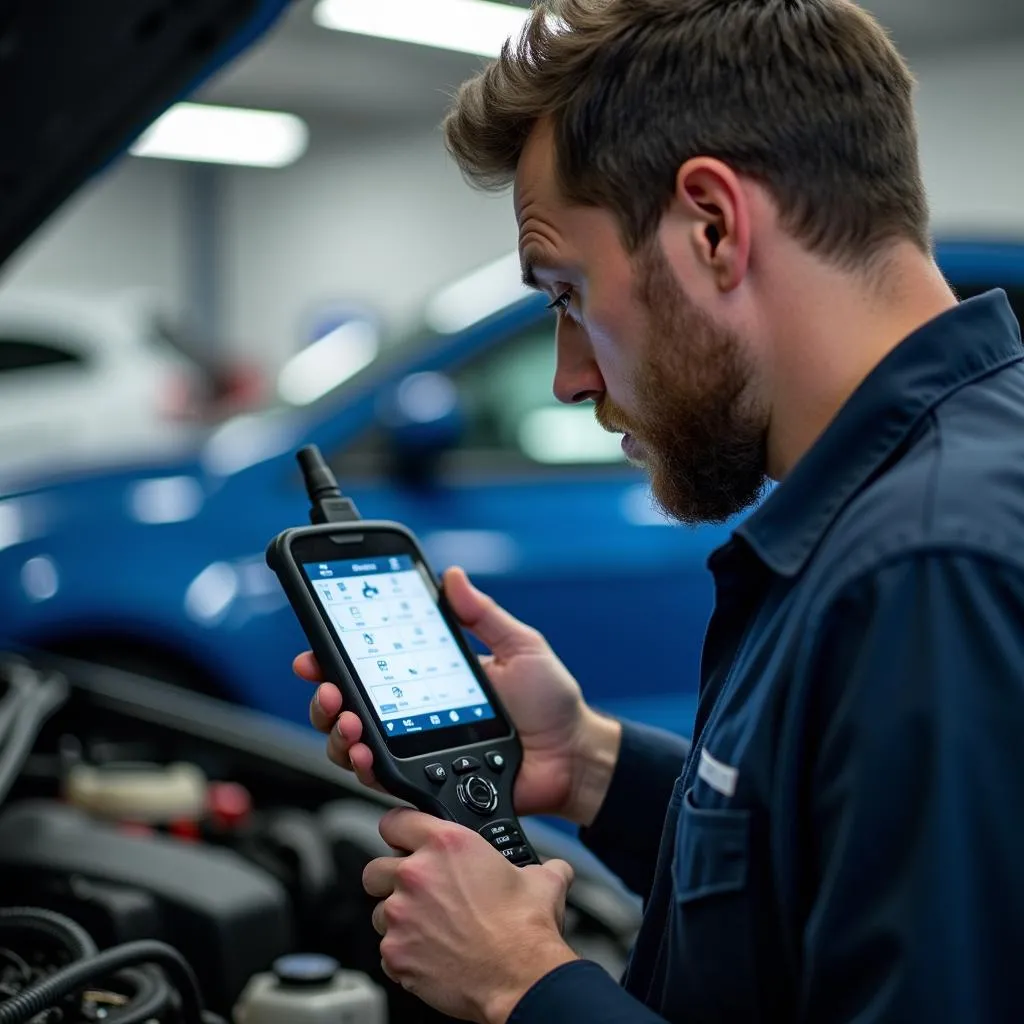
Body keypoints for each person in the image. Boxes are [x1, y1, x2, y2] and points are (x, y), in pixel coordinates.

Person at [296, 0, 1024, 1020]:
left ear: (712, 227)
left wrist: (524, 985)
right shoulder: (911, 501)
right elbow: (809, 871)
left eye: (565, 291)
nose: (566, 376)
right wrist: (589, 762)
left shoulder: (925, 571)